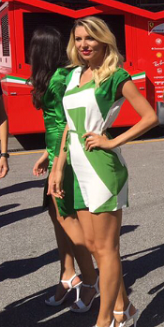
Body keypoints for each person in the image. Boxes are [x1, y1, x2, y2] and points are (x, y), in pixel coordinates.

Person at [48, 16, 158, 327]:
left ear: (103, 41)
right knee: (95, 247)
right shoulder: (73, 76)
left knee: (107, 249)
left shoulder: (115, 76)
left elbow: (150, 116)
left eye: (90, 38)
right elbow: (68, 126)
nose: (83, 44)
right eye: (79, 38)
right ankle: (126, 310)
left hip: (102, 169)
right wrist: (57, 168)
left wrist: (112, 141)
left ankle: (106, 319)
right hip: (75, 167)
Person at [29, 27, 99, 309]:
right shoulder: (54, 76)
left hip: (66, 155)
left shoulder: (60, 77)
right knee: (57, 215)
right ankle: (67, 274)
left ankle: (91, 281)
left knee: (66, 217)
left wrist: (55, 156)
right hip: (57, 152)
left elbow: (66, 121)